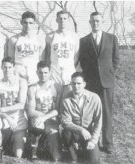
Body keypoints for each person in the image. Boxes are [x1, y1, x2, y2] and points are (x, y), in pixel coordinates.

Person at [79, 12, 119, 154]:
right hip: (91, 82)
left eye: (98, 21)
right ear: (89, 22)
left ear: (102, 22)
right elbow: (83, 61)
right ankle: (91, 142)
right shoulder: (84, 41)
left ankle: (108, 143)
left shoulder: (111, 38)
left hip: (107, 83)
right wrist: (89, 76)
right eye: (93, 21)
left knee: (106, 113)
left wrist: (109, 74)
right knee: (89, 114)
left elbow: (115, 59)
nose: (95, 23)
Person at [0, 57, 28, 162]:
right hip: (5, 118)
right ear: (1, 68)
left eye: (10, 67)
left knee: (18, 155)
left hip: (18, 117)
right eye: (5, 67)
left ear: (13, 68)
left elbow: (21, 104)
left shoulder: (21, 82)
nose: (7, 70)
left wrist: (3, 109)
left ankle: (11, 137)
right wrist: (7, 117)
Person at [61, 72, 102, 163]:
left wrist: (93, 140)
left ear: (84, 84)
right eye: (73, 83)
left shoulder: (95, 98)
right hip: (74, 132)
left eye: (79, 83)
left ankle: (84, 148)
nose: (76, 86)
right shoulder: (66, 99)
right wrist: (80, 130)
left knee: (94, 161)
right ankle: (73, 157)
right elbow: (65, 121)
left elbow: (98, 122)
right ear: (70, 84)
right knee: (66, 133)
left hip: (89, 133)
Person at [27, 61, 63, 162]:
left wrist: (45, 117)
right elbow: (30, 111)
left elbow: (58, 110)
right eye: (40, 72)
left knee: (57, 157)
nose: (43, 75)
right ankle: (34, 148)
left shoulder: (57, 87)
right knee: (38, 124)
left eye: (46, 72)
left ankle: (44, 142)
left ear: (50, 72)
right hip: (38, 120)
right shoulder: (32, 88)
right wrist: (42, 117)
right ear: (36, 72)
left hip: (52, 121)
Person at [45, 10, 79, 97]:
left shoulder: (74, 36)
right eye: (60, 18)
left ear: (68, 20)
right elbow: (48, 55)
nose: (62, 21)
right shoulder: (50, 36)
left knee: (69, 97)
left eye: (65, 18)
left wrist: (69, 66)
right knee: (55, 98)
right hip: (55, 71)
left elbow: (76, 56)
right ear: (56, 20)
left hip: (69, 71)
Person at [8, 11, 46, 85]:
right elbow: (10, 60)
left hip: (34, 72)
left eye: (30, 23)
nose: (28, 25)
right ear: (21, 22)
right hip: (18, 72)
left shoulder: (40, 40)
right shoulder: (14, 39)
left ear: (34, 23)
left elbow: (42, 61)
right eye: (25, 22)